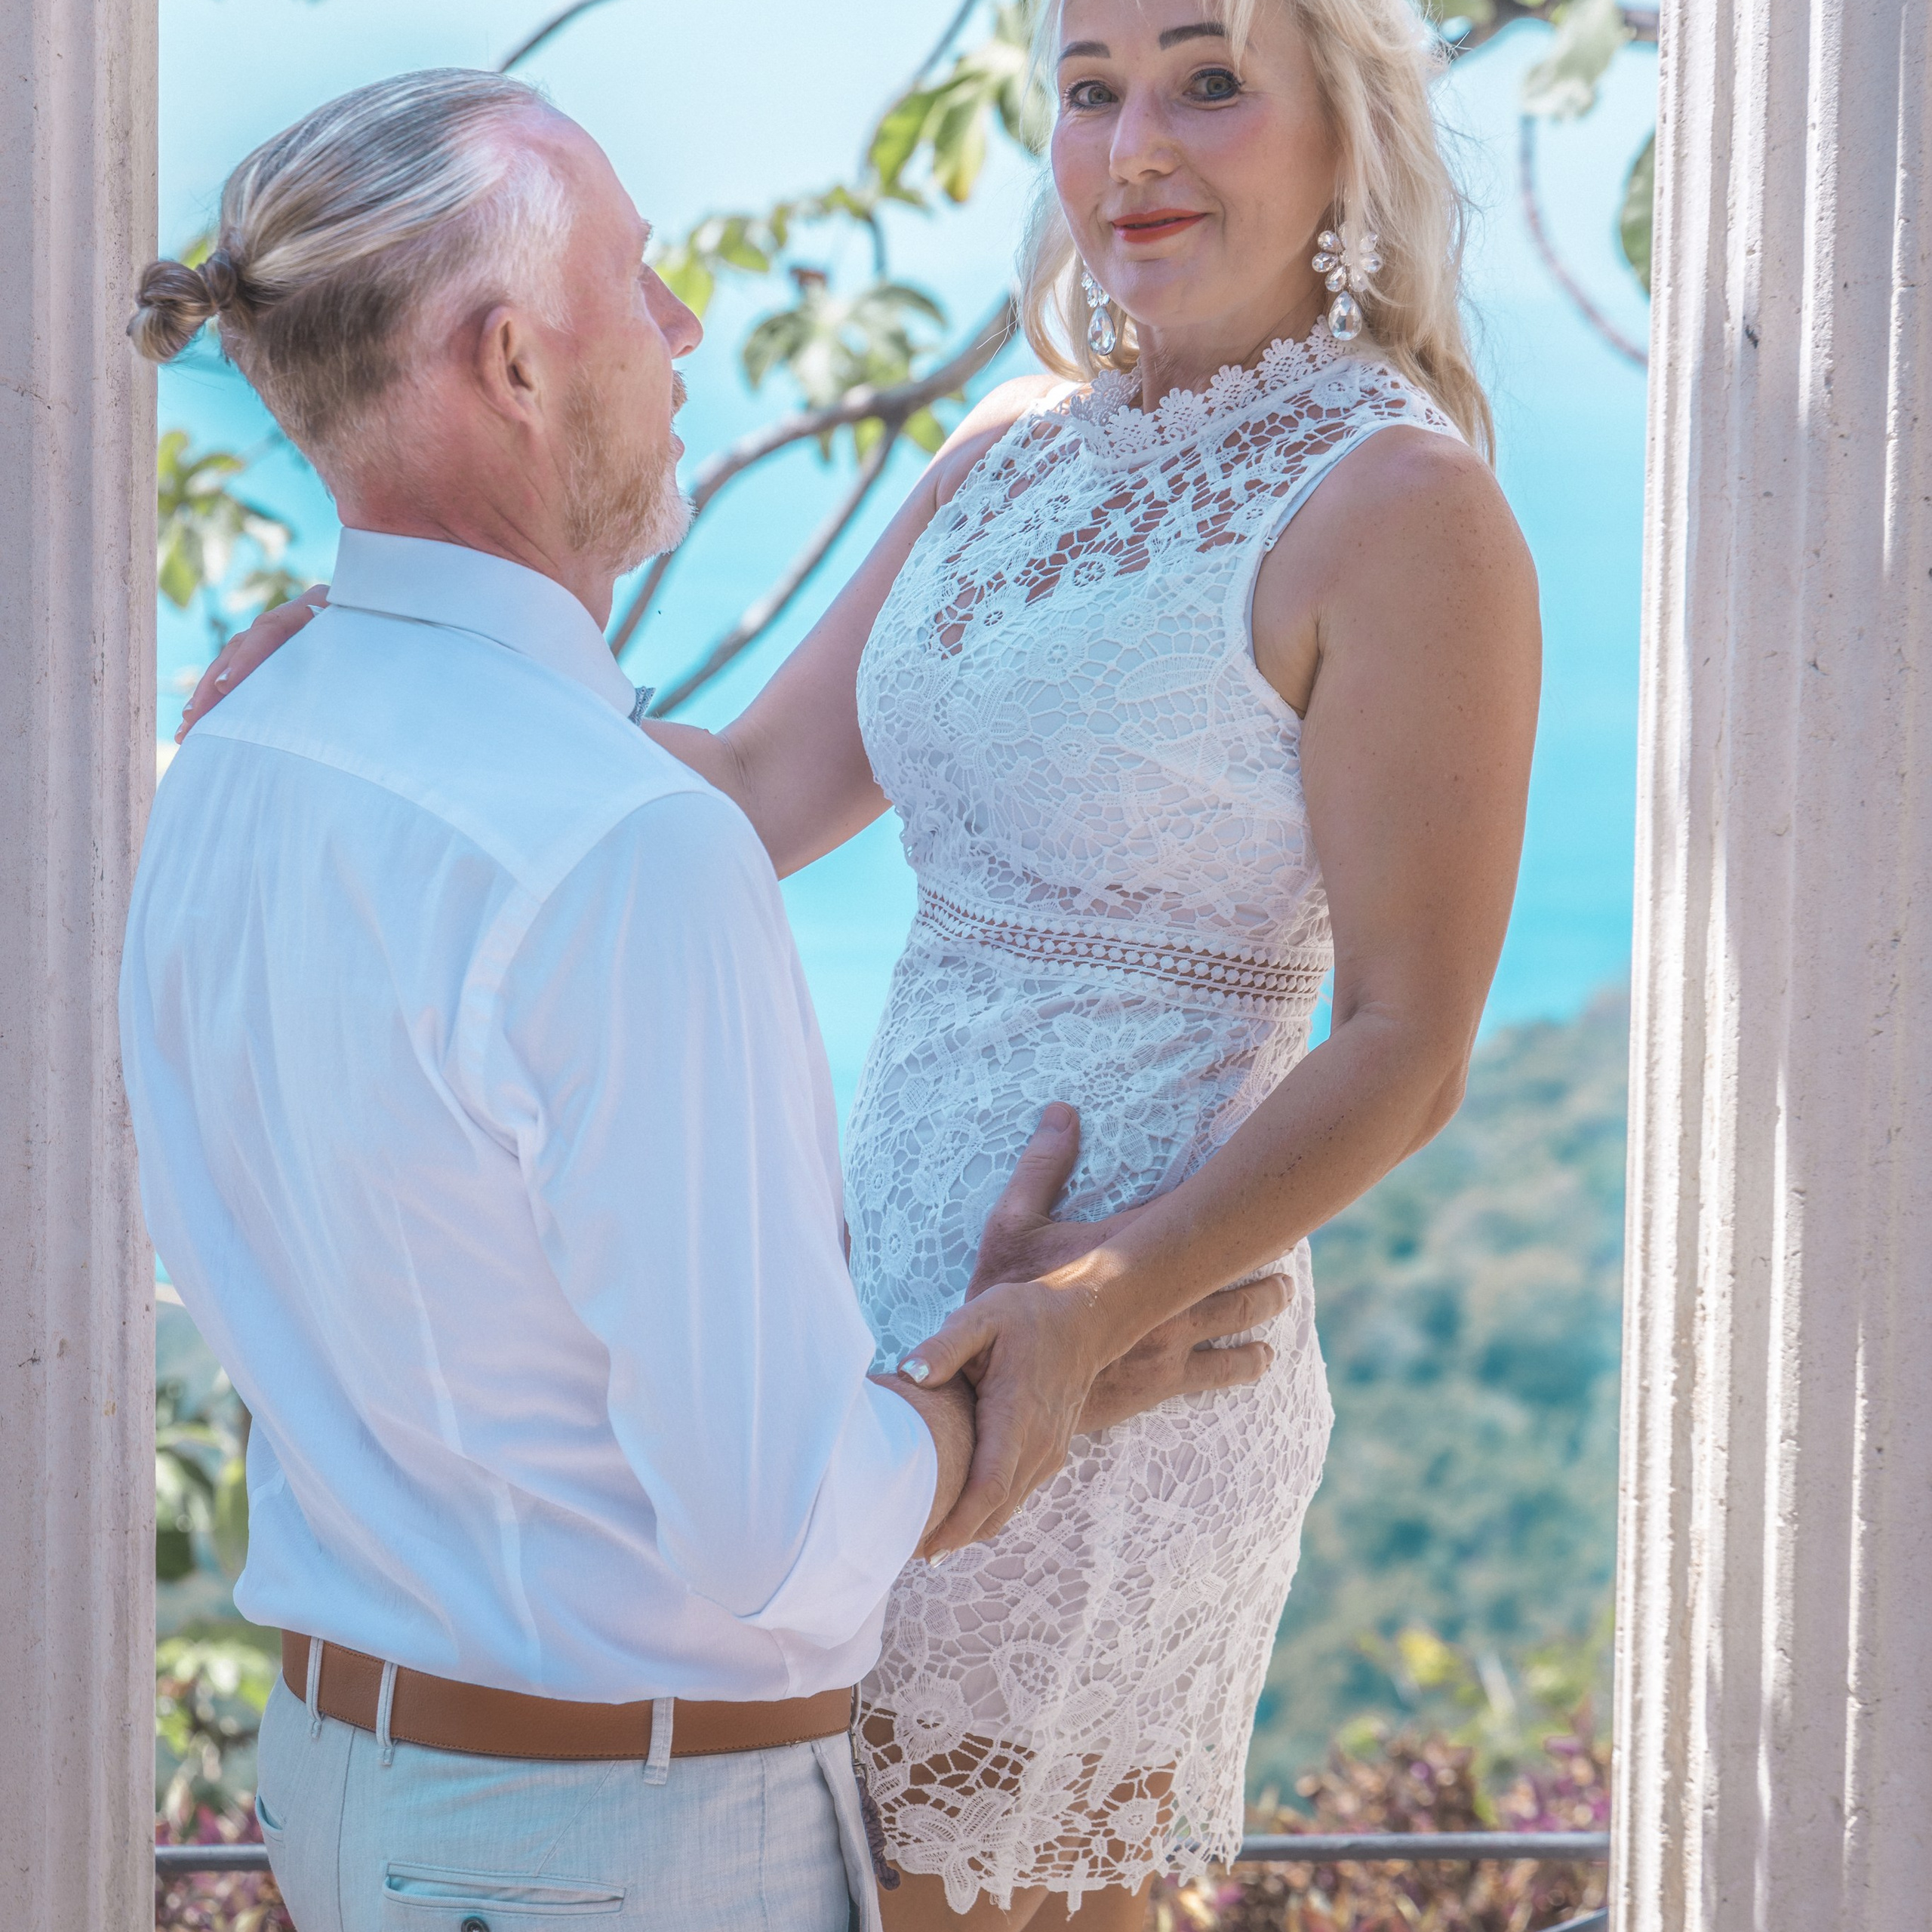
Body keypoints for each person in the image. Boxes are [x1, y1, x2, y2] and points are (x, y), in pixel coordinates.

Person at [188, 0, 1543, 1920]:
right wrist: (395, 657)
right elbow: (748, 783)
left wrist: (1093, 1301)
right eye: (1089, 90)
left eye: (1207, 82)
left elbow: (1408, 1040)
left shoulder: (1404, 508)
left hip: (1115, 1360)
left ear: (1345, 131)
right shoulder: (1003, 443)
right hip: (856, 1351)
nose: (1133, 148)